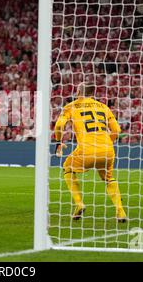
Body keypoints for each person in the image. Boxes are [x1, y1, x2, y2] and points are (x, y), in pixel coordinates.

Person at [54, 82, 127, 223]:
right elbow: (117, 130)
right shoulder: (103, 107)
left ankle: (79, 203)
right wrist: (107, 141)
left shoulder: (71, 106)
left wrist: (58, 141)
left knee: (67, 168)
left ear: (79, 91)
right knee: (109, 178)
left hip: (87, 150)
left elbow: (59, 125)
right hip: (107, 150)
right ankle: (120, 211)